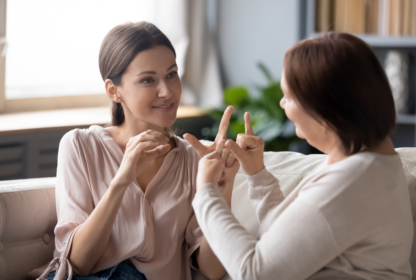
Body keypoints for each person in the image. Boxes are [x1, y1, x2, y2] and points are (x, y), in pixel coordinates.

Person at [192, 33, 414, 280]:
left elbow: (255, 272)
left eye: (288, 96)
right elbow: (287, 236)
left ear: (324, 111)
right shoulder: (368, 158)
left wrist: (205, 192)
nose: (282, 104)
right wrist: (257, 174)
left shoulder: (352, 183)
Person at [37, 22, 235, 280]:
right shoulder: (80, 145)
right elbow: (79, 264)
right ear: (113, 90)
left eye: (172, 74)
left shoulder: (192, 159)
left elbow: (213, 269)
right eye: (147, 80)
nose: (166, 92)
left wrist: (222, 189)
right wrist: (122, 179)